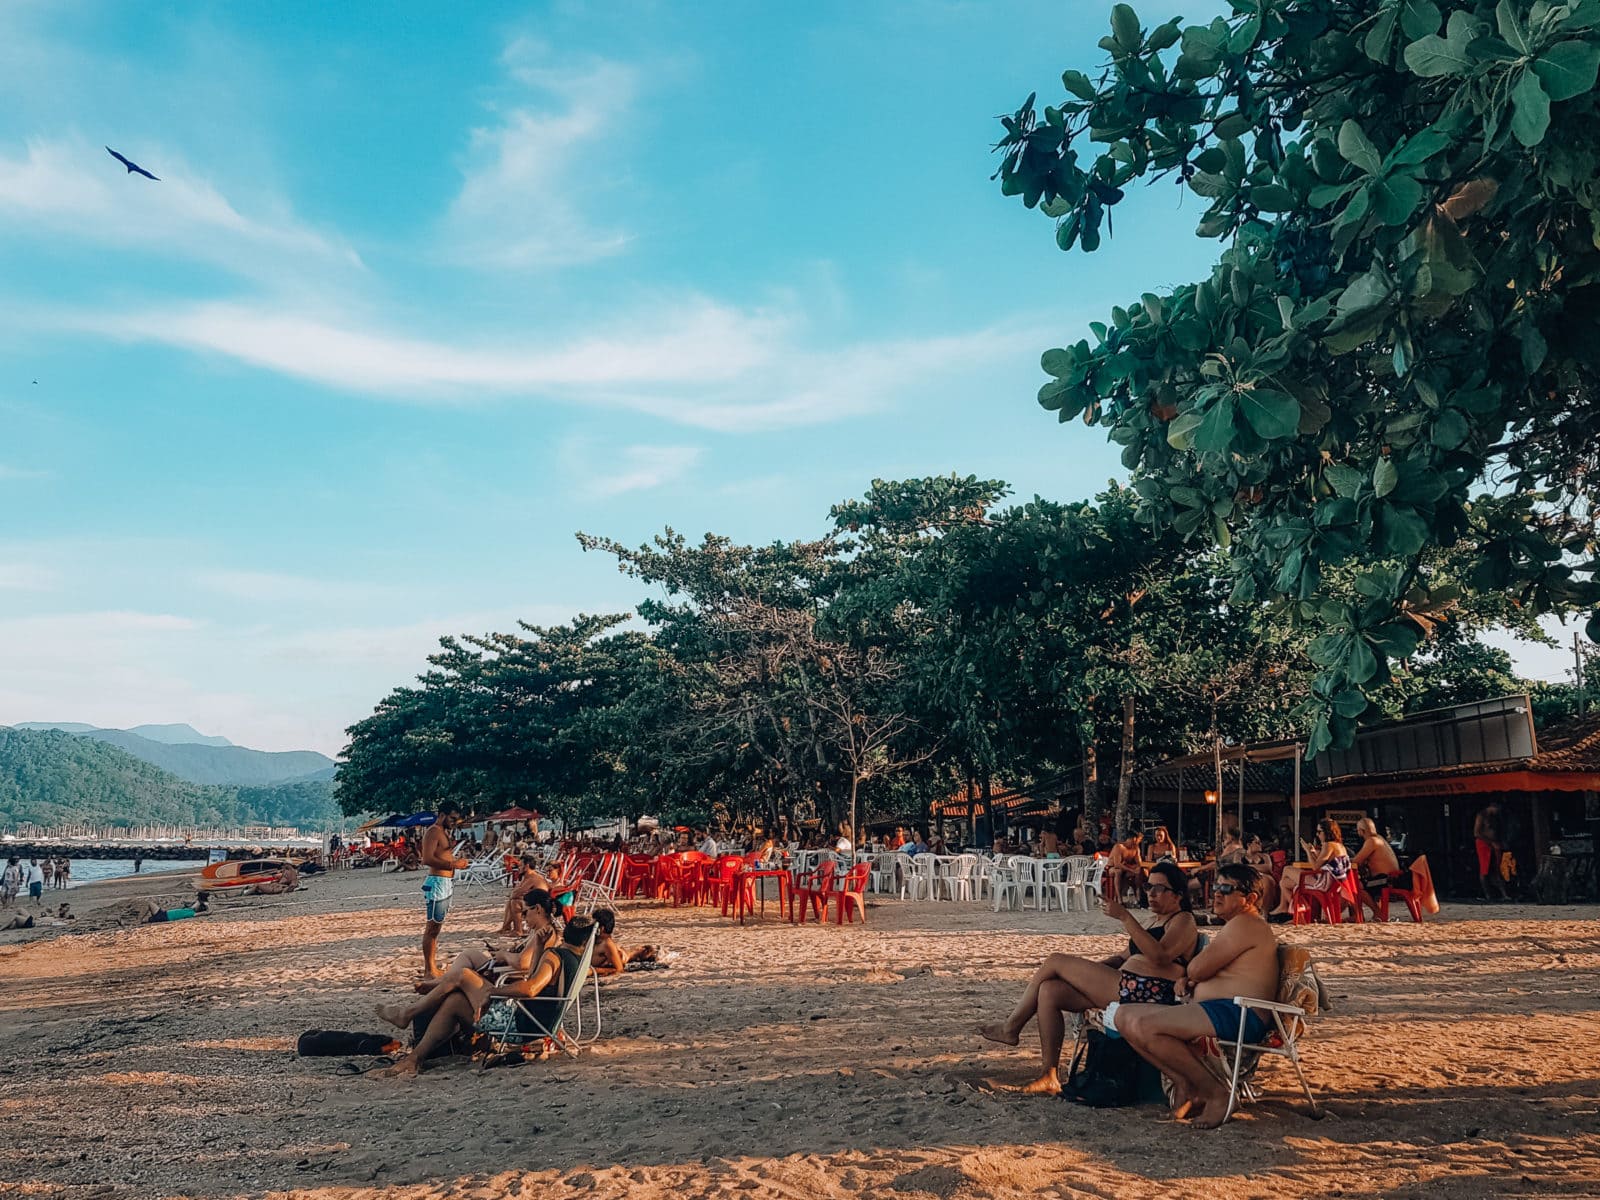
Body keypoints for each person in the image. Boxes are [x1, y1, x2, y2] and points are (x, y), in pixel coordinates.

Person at [977, 861, 1199, 1095]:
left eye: (1159, 889)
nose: (1151, 894)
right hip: (1124, 984)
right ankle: (1048, 1074)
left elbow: (1160, 956)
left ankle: (1011, 1028)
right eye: (1147, 886)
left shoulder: (1183, 920)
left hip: (1147, 992)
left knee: (1055, 960)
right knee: (1050, 991)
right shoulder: (1154, 921)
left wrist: (1125, 917)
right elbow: (1122, 957)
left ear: (1178, 895)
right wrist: (1088, 973)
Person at [1115, 861, 1281, 1128]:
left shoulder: (1245, 924)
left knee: (1147, 1025)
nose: (1216, 893)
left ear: (1250, 898)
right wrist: (1190, 978)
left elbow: (1198, 966)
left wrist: (1191, 976)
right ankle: (1187, 1084)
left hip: (1238, 1014)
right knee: (1123, 1016)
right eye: (1216, 886)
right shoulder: (1238, 925)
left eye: (1226, 888)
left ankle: (1217, 1093)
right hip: (1220, 1010)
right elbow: (1207, 969)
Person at [374, 916, 596, 1076]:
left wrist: (494, 991)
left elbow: (530, 988)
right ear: (585, 943)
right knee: (455, 1002)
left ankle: (408, 1014)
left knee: (463, 975)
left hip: (521, 1025)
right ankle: (413, 1059)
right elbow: (535, 977)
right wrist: (538, 945)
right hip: (538, 1024)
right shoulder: (575, 961)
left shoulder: (557, 956)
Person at [416, 890, 559, 998]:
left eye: (525, 912)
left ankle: (439, 984)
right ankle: (440, 982)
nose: (522, 918)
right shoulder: (542, 931)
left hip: (511, 977)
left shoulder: (543, 934)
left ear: (538, 909)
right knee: (469, 955)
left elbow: (523, 963)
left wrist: (503, 955)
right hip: (510, 972)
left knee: (465, 970)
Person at [419, 812, 471, 978]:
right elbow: (426, 859)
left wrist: (455, 862)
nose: (455, 822)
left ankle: (432, 967)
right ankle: (429, 970)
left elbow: (441, 854)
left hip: (445, 882)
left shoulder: (442, 832)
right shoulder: (433, 831)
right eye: (452, 818)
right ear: (442, 815)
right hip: (437, 882)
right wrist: (453, 864)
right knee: (432, 928)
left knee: (437, 927)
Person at [1269, 818, 1351, 922]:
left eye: (1319, 832)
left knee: (1287, 869)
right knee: (1284, 883)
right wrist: (1313, 852)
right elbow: (1322, 863)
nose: (1317, 835)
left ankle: (1289, 907)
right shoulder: (1339, 845)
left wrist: (1307, 851)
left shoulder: (1328, 845)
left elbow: (1315, 867)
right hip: (1332, 883)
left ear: (1327, 832)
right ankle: (1299, 913)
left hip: (1323, 883)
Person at [1351, 817, 1408, 920]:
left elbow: (1356, 861)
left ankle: (1378, 913)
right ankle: (1359, 915)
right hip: (1392, 878)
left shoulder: (1371, 841)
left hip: (1386, 880)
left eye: (1358, 830)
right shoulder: (1379, 838)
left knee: (1357, 886)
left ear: (1361, 831)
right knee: (1360, 883)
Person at [591, 907, 655, 977]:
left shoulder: (607, 944)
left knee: (623, 954)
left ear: (601, 928)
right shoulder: (598, 940)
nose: (590, 926)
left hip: (621, 956)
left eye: (593, 924)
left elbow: (619, 970)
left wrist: (593, 971)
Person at [1474, 803, 1509, 901]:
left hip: (1495, 843)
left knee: (1497, 868)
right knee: (1485, 869)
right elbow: (1476, 833)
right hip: (1483, 844)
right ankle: (1488, 894)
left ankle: (1504, 894)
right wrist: (1490, 842)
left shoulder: (1496, 817)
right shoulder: (1481, 815)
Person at [1107, 831, 1147, 906]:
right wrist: (1132, 869)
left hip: (1126, 868)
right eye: (1133, 841)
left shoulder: (1135, 848)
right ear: (1128, 839)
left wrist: (1136, 868)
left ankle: (1138, 897)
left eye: (1136, 841)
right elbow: (1117, 864)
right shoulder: (1119, 847)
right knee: (1118, 871)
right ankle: (1119, 899)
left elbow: (1139, 863)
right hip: (1112, 868)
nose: (1134, 843)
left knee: (1139, 871)